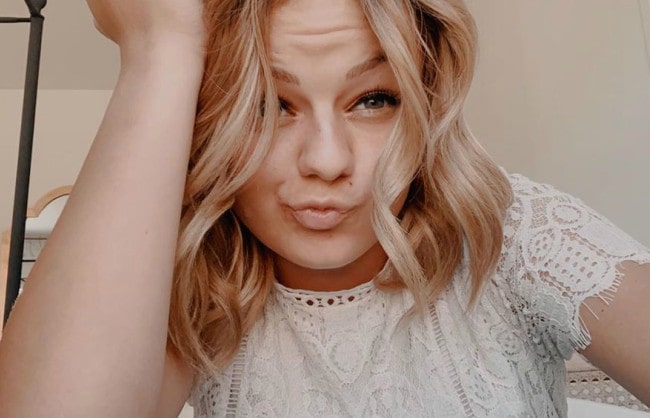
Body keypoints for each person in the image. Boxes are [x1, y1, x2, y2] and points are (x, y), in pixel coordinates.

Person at [0, 0, 649, 416]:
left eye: (373, 100)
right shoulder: (197, 279)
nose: (328, 160)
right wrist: (158, 53)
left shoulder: (513, 235)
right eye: (270, 105)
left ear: (425, 103)